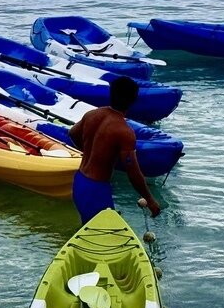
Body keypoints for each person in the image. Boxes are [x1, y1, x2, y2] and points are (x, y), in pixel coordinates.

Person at [67, 76, 160, 223]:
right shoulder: (124, 131)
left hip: (80, 181)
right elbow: (133, 172)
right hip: (96, 190)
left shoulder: (92, 114)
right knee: (104, 232)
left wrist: (92, 153)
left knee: (89, 228)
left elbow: (72, 133)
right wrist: (150, 199)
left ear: (111, 94)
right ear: (133, 99)